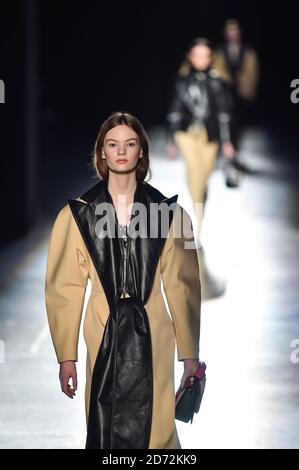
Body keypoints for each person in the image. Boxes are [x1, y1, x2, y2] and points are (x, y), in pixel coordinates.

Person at [44, 111, 202, 449]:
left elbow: (183, 286)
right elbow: (65, 288)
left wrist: (190, 354)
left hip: (156, 333)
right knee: (105, 428)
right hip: (103, 332)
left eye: (129, 144)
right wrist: (66, 355)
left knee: (159, 432)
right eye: (112, 144)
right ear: (101, 152)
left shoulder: (169, 214)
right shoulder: (78, 215)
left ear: (141, 151)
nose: (120, 151)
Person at [166, 37, 236, 246]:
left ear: (210, 58)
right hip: (186, 135)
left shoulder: (217, 83)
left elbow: (224, 114)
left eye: (206, 55)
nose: (201, 59)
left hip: (210, 137)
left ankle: (199, 213)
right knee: (196, 174)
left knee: (202, 180)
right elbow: (175, 112)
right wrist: (171, 139)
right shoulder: (181, 81)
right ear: (190, 56)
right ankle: (198, 223)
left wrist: (227, 141)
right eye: (197, 55)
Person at [212, 19, 259, 149]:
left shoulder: (247, 50)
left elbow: (253, 73)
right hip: (224, 92)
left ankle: (235, 149)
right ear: (225, 33)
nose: (232, 33)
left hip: (241, 94)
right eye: (229, 30)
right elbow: (216, 69)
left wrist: (249, 91)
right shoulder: (219, 51)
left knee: (239, 124)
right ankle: (225, 150)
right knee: (224, 123)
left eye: (235, 30)